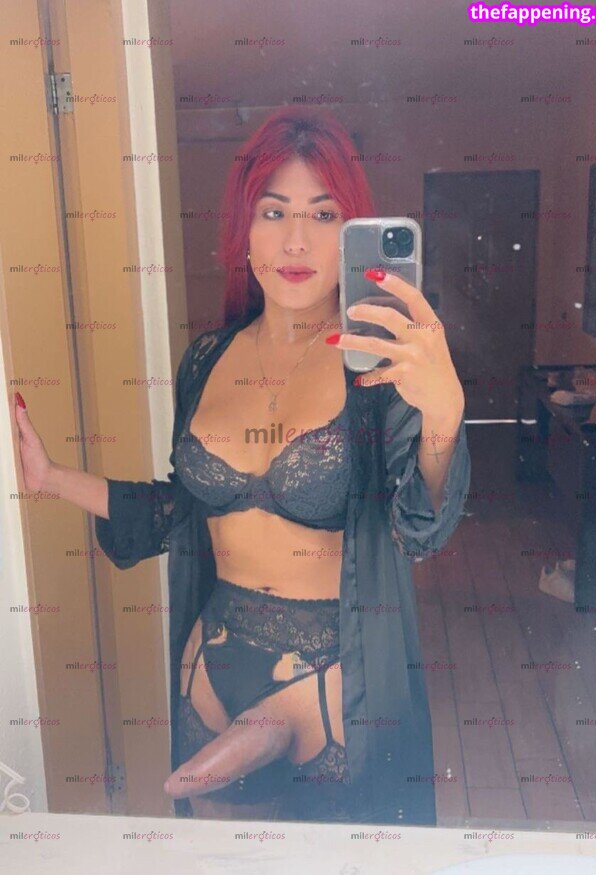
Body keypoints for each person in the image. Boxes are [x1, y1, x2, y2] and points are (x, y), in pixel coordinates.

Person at [13, 106, 471, 825]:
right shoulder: (206, 358)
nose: (296, 240)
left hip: (329, 678)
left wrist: (443, 412)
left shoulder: (379, 367)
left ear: (352, 231)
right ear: (243, 227)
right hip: (212, 662)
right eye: (274, 211)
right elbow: (183, 509)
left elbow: (421, 528)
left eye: (323, 215)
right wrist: (51, 478)